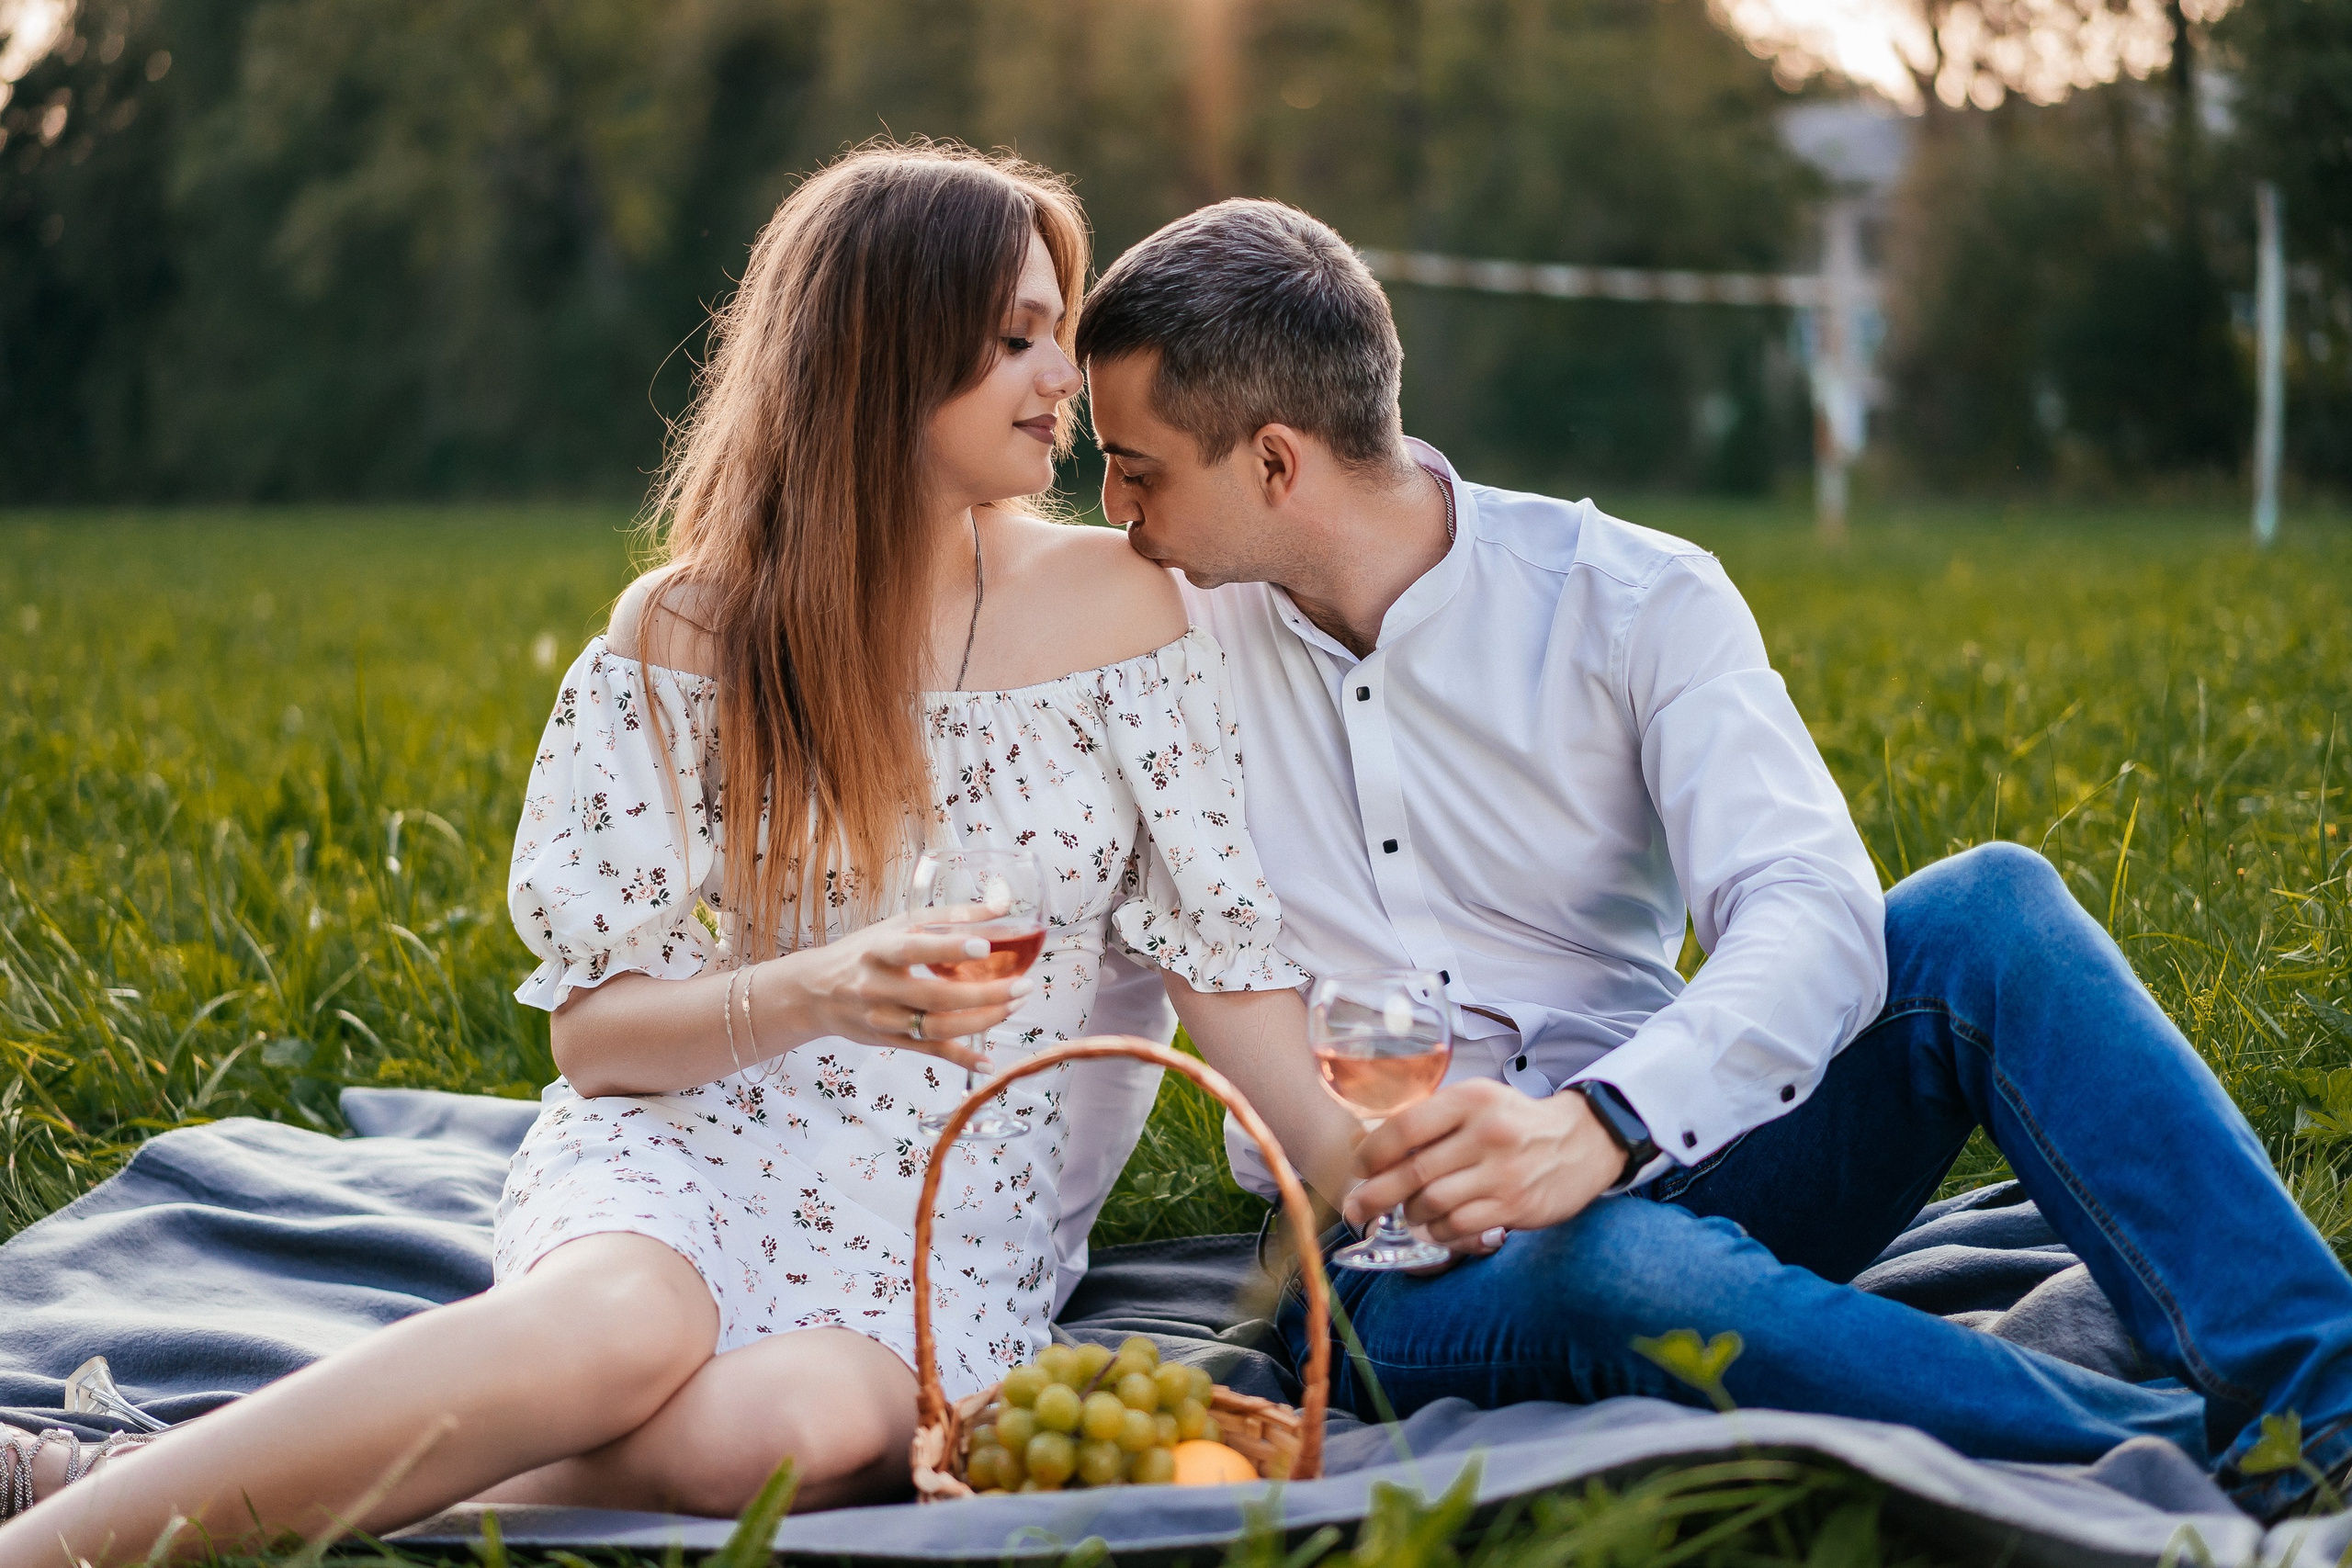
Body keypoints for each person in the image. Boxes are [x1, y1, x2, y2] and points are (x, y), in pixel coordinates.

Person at [0, 145, 1321, 1562]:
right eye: (1014, 338)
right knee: (620, 1336)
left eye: (1055, 330)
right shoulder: (686, 633)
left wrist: (1362, 1176)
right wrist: (820, 989)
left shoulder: (1127, 611)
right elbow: (596, 1044)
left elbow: (1219, 971)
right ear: (876, 352)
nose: (1063, 377)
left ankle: (134, 1473)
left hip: (950, 1225)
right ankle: (61, 1546)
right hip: (689, 1149)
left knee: (777, 1444)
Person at [1077, 197, 2352, 1521]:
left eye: (1140, 468)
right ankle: (2185, 1449)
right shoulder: (1154, 645)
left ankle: (2331, 1405)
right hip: (1398, 1248)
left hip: (1669, 1138)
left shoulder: (1632, 597)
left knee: (1991, 909)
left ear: (1276, 464)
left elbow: (1808, 911)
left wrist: (1603, 1126)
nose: (1114, 512)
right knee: (1620, 1268)